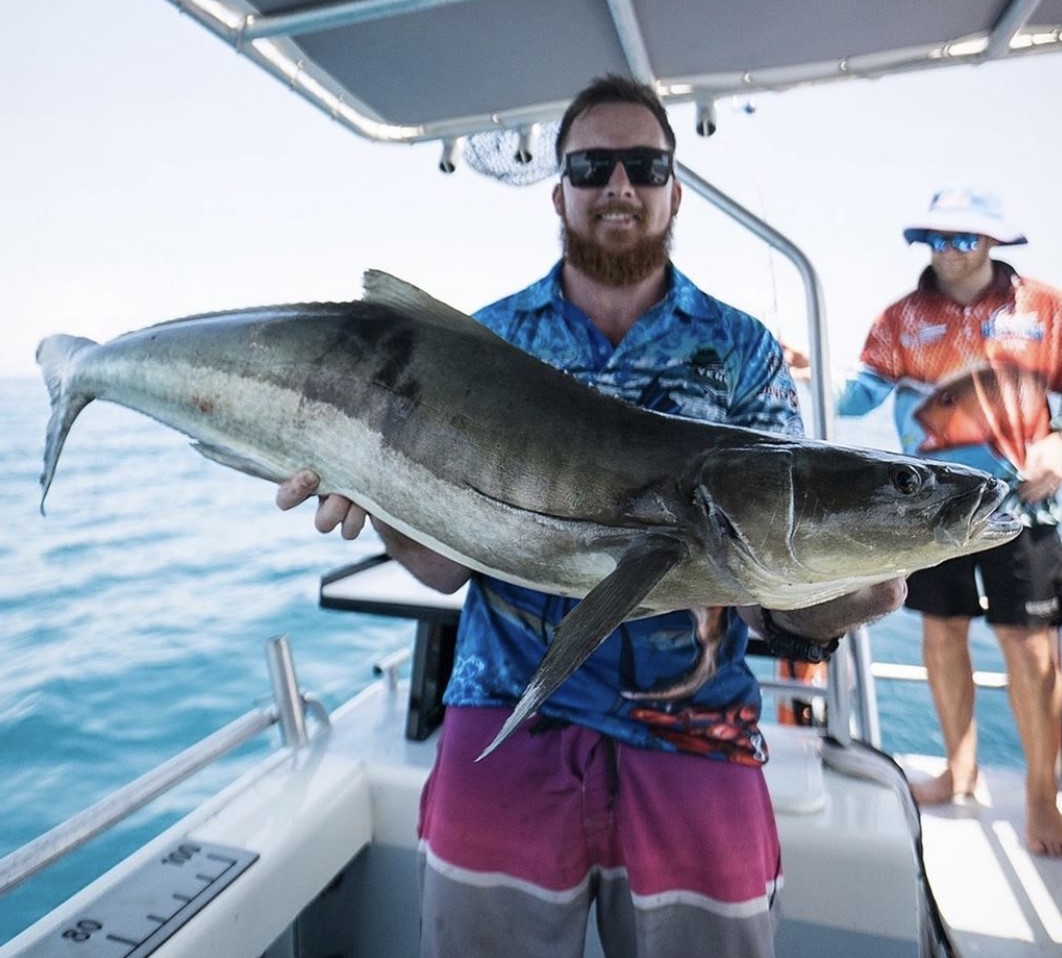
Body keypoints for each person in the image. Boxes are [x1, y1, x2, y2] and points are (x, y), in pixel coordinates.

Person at [277, 74, 906, 957]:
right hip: (505, 714)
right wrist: (378, 497)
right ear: (560, 189)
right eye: (594, 165)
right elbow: (446, 569)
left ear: (675, 190)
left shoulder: (743, 354)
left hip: (698, 736)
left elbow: (772, 588)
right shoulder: (480, 345)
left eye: (645, 166)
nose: (620, 186)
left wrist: (825, 611)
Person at [836, 187, 1062, 858]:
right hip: (929, 510)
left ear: (994, 242)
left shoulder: (1046, 309)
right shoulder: (901, 318)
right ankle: (958, 769)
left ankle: (1041, 797)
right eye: (934, 238)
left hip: (1024, 504)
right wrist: (799, 364)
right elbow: (858, 394)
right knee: (941, 633)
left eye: (963, 239)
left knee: (1031, 647)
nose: (947, 252)